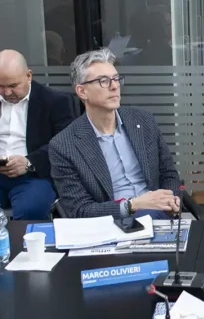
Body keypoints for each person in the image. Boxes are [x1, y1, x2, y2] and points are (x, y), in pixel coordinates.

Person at [49, 49, 180, 219]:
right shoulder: (64, 145)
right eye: (103, 81)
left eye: (116, 78)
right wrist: (133, 205)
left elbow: (169, 174)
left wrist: (171, 199)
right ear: (82, 91)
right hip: (110, 223)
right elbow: (80, 210)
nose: (114, 86)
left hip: (158, 214)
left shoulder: (143, 121)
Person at [0, 49, 77, 220]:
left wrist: (28, 162)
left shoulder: (55, 101)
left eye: (13, 86)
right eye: (0, 86)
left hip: (34, 175)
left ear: (28, 76)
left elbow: (66, 144)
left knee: (31, 209)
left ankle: (25, 247)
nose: (7, 92)